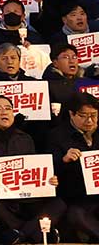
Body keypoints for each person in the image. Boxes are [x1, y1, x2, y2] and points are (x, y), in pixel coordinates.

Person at [0, 95, 66, 244]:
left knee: (59, 203)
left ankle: (20, 234)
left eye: (8, 109)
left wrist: (48, 180)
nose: (4, 112)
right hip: (0, 199)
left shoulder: (25, 138)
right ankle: (38, 233)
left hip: (28, 200)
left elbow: (35, 170)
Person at [47, 94, 99, 242]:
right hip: (76, 197)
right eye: (83, 116)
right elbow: (49, 173)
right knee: (75, 214)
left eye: (94, 115)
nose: (90, 121)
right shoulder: (56, 136)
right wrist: (64, 160)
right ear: (71, 114)